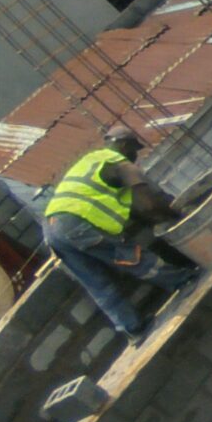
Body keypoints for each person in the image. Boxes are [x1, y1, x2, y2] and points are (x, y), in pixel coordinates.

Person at [44, 126, 194, 339]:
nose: (136, 156)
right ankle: (181, 280)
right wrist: (179, 217)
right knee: (133, 257)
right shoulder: (120, 164)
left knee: (97, 283)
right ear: (124, 145)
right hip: (79, 223)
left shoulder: (91, 160)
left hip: (52, 227)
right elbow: (149, 206)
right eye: (135, 150)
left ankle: (132, 328)